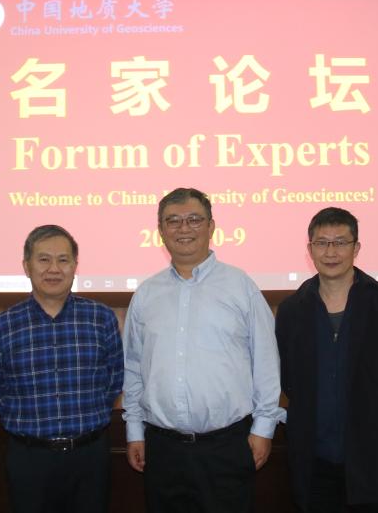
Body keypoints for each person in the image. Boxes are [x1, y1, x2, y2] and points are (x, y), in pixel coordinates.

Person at [122, 187, 284, 513]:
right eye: (173, 221)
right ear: (160, 231)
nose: (184, 228)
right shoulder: (146, 294)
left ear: (211, 227)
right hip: (163, 450)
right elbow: (134, 369)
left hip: (227, 447)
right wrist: (135, 431)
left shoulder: (241, 287)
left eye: (194, 219)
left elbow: (266, 363)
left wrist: (264, 428)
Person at [275, 207, 378, 513]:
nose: (331, 252)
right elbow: (289, 379)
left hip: (374, 460)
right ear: (309, 249)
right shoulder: (292, 310)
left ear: (357, 248)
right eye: (322, 243)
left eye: (340, 242)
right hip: (314, 464)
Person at [0, 225, 123, 513]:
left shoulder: (101, 318)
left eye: (63, 260)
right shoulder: (3, 325)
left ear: (75, 266)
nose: (54, 269)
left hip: (89, 456)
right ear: (27, 266)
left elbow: (114, 379)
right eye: (44, 259)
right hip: (29, 458)